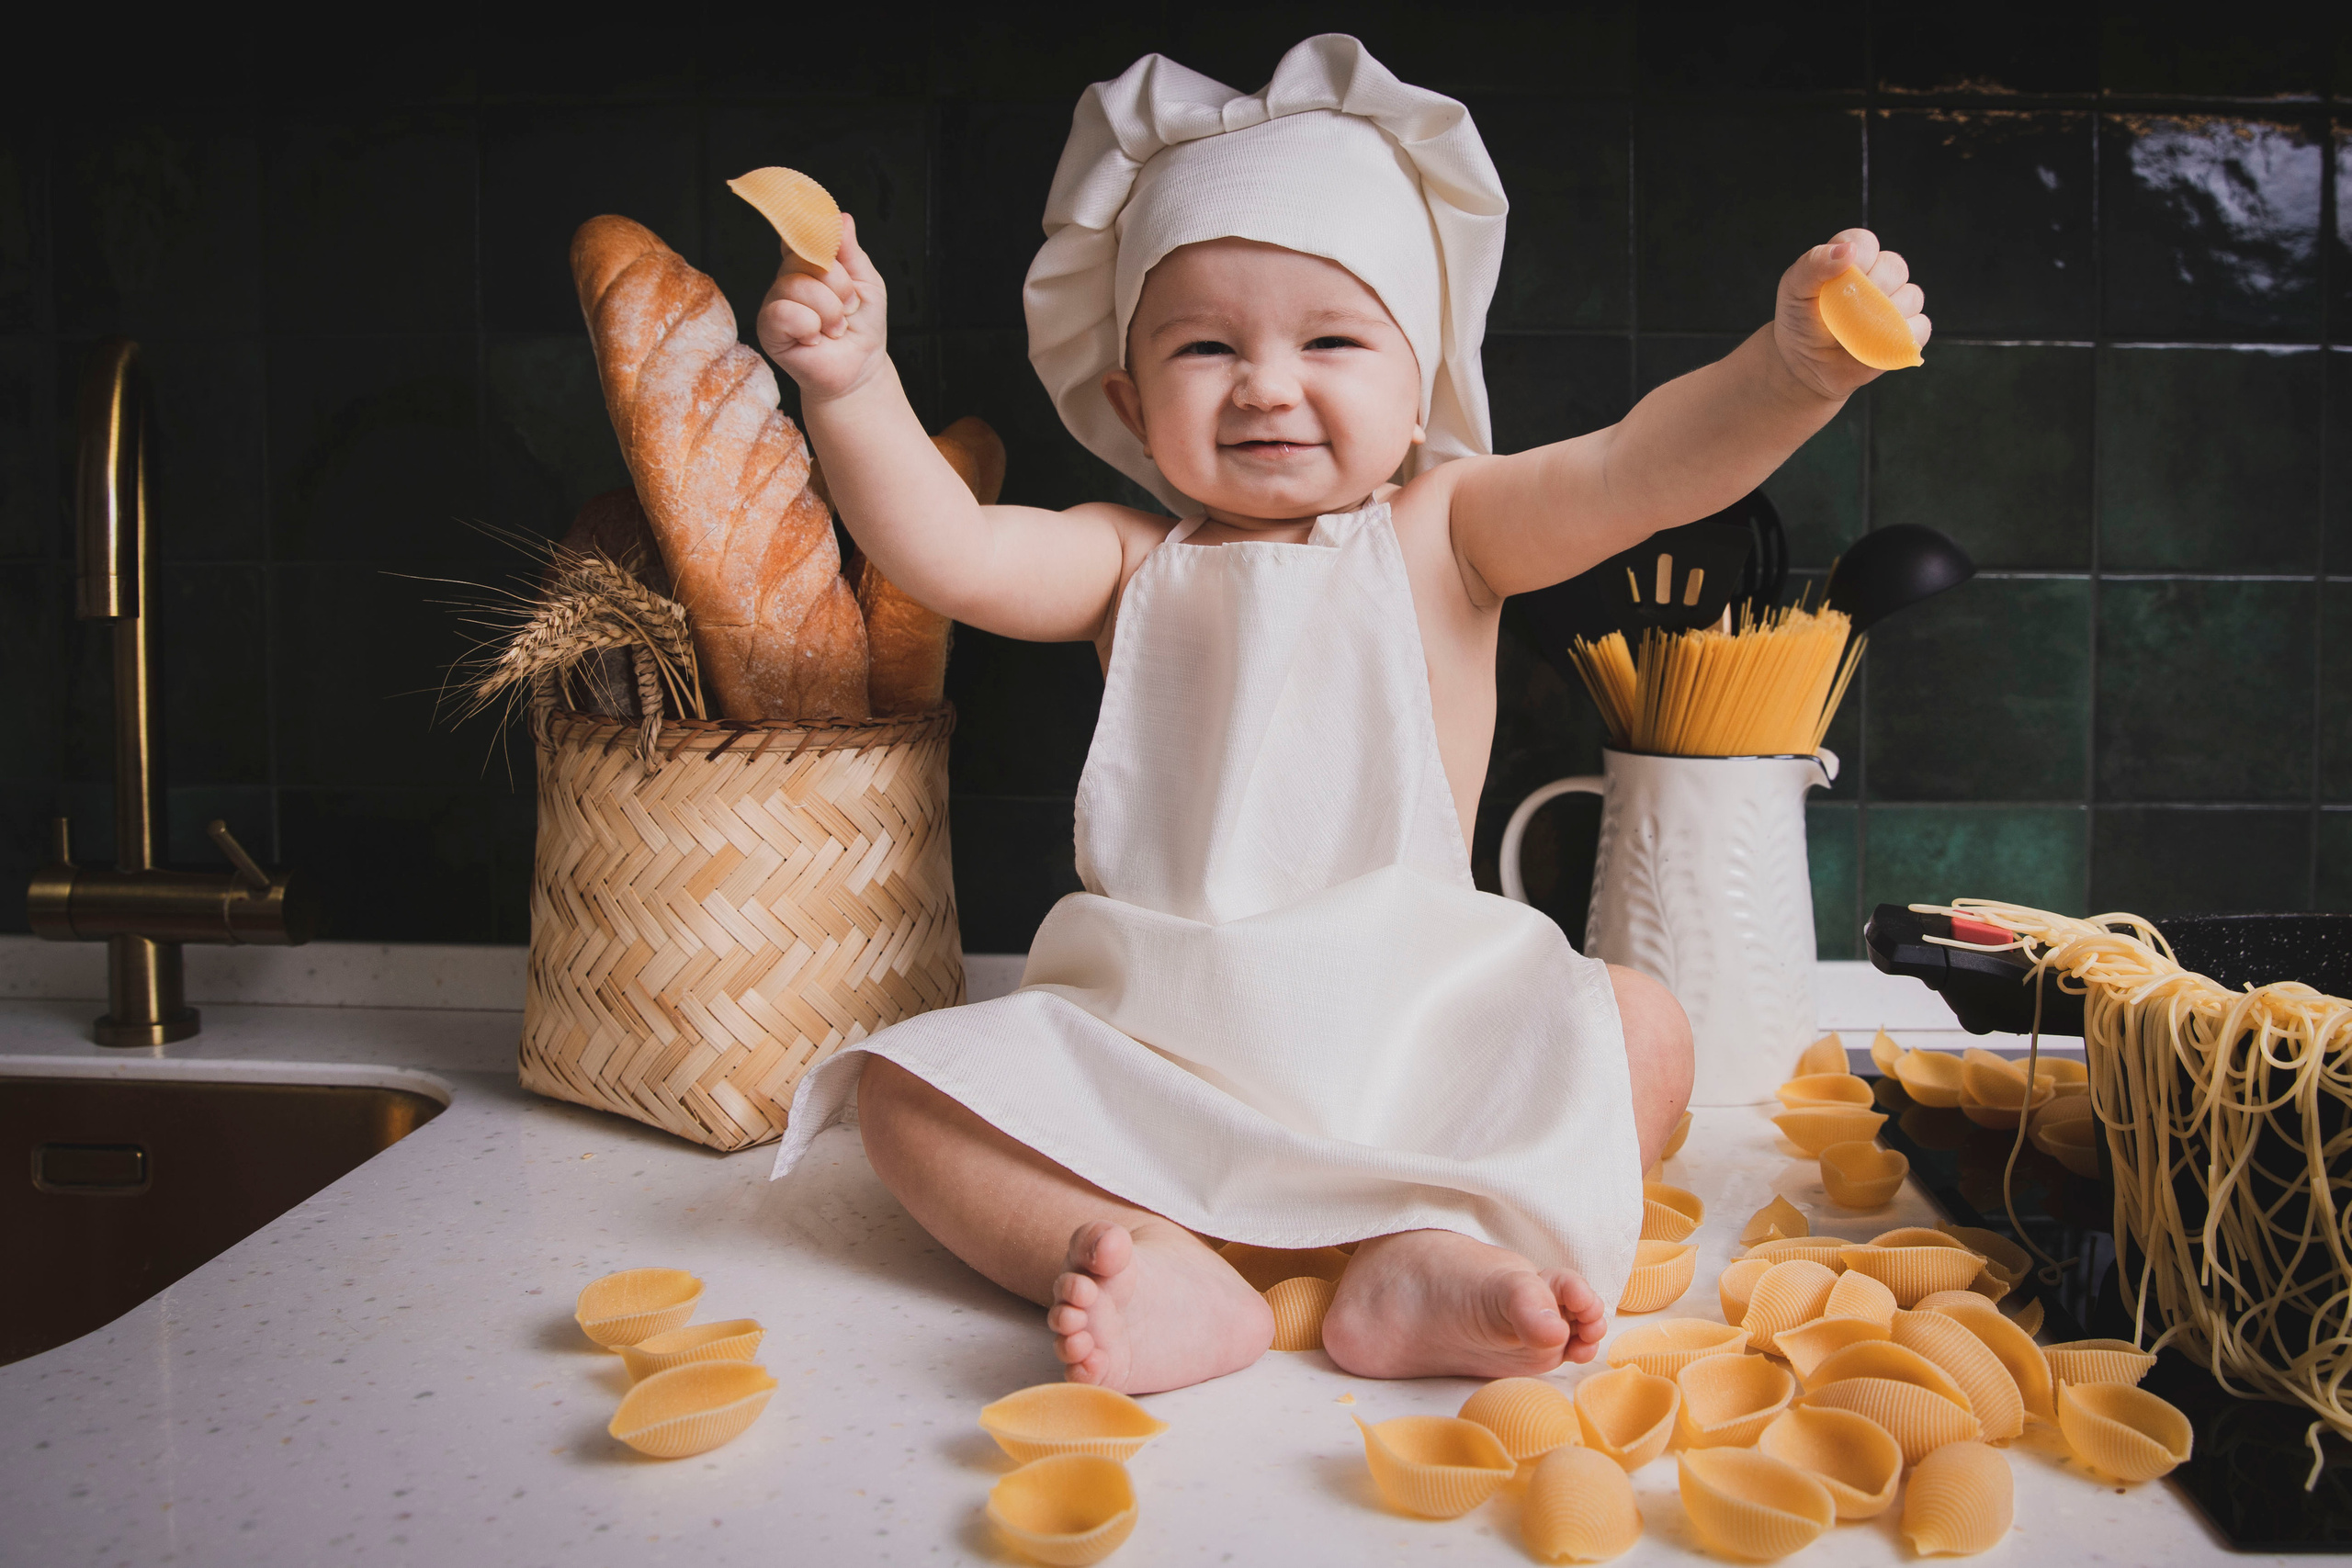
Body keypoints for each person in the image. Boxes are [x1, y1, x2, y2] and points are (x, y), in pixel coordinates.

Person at [758, 35, 1929, 1395]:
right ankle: (1135, 1249)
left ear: (1418, 380)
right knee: (902, 1094)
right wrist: (850, 387)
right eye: (1206, 346)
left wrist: (1791, 370)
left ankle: (1425, 1257)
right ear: (1131, 399)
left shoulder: (1449, 532)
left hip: (1415, 1028)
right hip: (1164, 1040)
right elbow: (947, 546)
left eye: (1329, 339)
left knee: (1642, 1026)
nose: (1264, 382)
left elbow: (1642, 467)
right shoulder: (1124, 559)